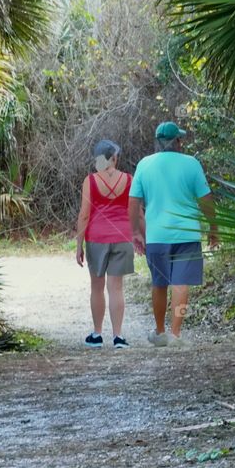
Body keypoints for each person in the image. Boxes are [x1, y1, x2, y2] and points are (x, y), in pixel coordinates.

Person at [128, 122, 218, 346]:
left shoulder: (144, 164)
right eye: (180, 139)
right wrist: (213, 227)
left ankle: (160, 333)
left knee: (159, 283)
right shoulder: (191, 164)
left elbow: (133, 202)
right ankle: (176, 335)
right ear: (177, 141)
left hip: (157, 236)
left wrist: (136, 233)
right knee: (181, 284)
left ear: (157, 143)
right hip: (187, 235)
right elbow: (206, 200)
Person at [75, 139, 138, 349]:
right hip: (122, 236)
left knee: (97, 287)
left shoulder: (90, 181)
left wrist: (79, 244)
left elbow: (84, 215)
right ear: (114, 157)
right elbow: (134, 211)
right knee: (116, 288)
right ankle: (118, 337)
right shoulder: (129, 179)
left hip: (97, 238)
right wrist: (138, 236)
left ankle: (97, 334)